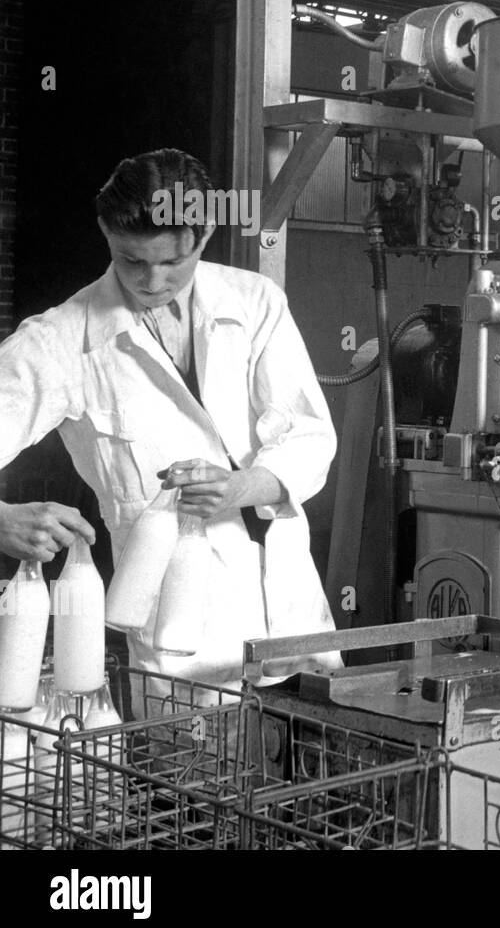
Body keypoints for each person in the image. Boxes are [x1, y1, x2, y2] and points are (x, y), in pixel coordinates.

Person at [0, 148, 340, 692]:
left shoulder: (254, 303)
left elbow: (310, 436)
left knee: (320, 771)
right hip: (181, 644)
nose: (153, 281)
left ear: (203, 238)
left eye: (172, 262)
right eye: (132, 261)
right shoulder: (63, 339)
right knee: (194, 775)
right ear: (106, 236)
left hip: (296, 618)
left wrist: (241, 487)